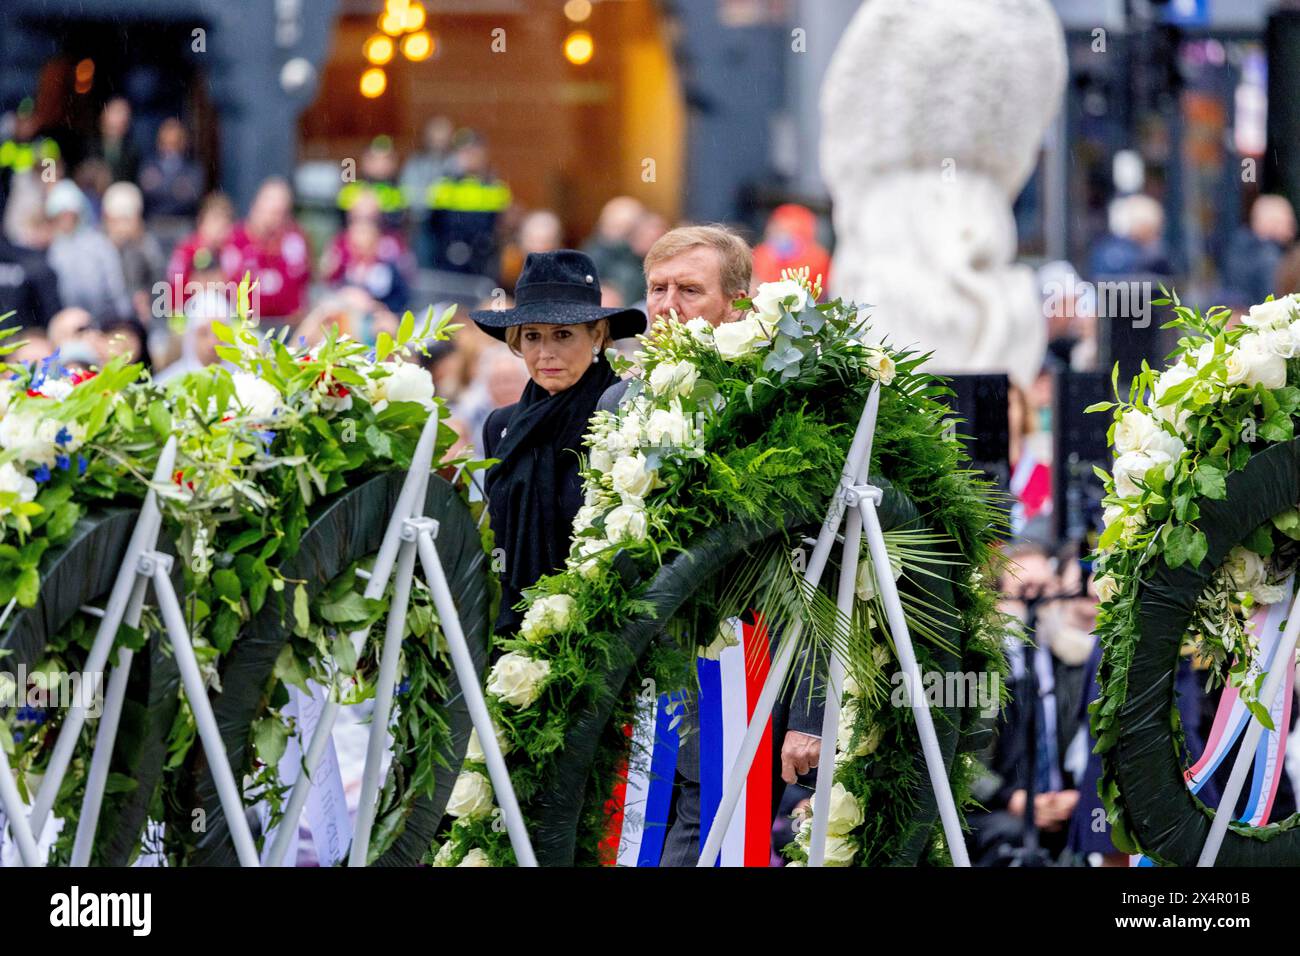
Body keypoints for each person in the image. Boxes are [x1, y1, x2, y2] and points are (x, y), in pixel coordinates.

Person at [472, 250, 646, 634]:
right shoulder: (501, 426)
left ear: (597, 335)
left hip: (608, 636)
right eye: (532, 336)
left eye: (563, 335)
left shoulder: (625, 417)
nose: (545, 352)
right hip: (518, 634)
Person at [596, 224, 752, 414]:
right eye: (658, 289)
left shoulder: (764, 397)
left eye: (689, 290)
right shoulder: (618, 402)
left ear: (735, 305)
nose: (667, 305)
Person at [221, 177, 312, 326]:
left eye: (282, 213)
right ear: (256, 207)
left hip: (287, 327)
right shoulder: (235, 240)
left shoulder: (294, 241)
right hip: (244, 325)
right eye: (272, 212)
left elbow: (300, 286)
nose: (275, 219)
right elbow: (228, 284)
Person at [423, 129, 511, 277]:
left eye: (474, 153)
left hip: (482, 261)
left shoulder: (495, 188)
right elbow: (432, 228)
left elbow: (502, 227)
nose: (470, 158)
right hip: (447, 259)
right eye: (465, 153)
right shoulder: (443, 186)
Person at [44, 180, 130, 321]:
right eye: (61, 215)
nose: (66, 220)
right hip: (65, 320)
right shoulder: (51, 248)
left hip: (104, 319)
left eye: (69, 214)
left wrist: (123, 319)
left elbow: (116, 287)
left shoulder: (99, 244)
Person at [101, 181, 166, 325]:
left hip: (144, 318)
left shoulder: (147, 244)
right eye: (116, 220)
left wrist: (137, 242)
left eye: (126, 219)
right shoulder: (98, 245)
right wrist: (113, 247)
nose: (121, 226)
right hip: (107, 316)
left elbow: (158, 281)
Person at [1224, 194, 1296, 307]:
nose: (1293, 228)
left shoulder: (1239, 249)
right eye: (1288, 221)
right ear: (1272, 223)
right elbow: (1275, 303)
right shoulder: (1270, 258)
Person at [751, 203, 831, 291]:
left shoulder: (818, 260)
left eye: (786, 232)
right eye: (777, 230)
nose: (780, 237)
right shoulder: (759, 255)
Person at [138, 118, 204, 222]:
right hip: (153, 220)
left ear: (183, 143)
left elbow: (190, 198)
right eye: (166, 143)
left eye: (175, 144)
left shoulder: (193, 168)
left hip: (183, 221)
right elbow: (146, 193)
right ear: (159, 142)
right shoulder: (148, 164)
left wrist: (160, 185)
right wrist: (175, 188)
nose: (170, 149)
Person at [87, 98, 140, 184]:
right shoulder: (90, 145)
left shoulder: (133, 150)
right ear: (104, 115)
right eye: (117, 112)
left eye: (125, 114)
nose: (123, 117)